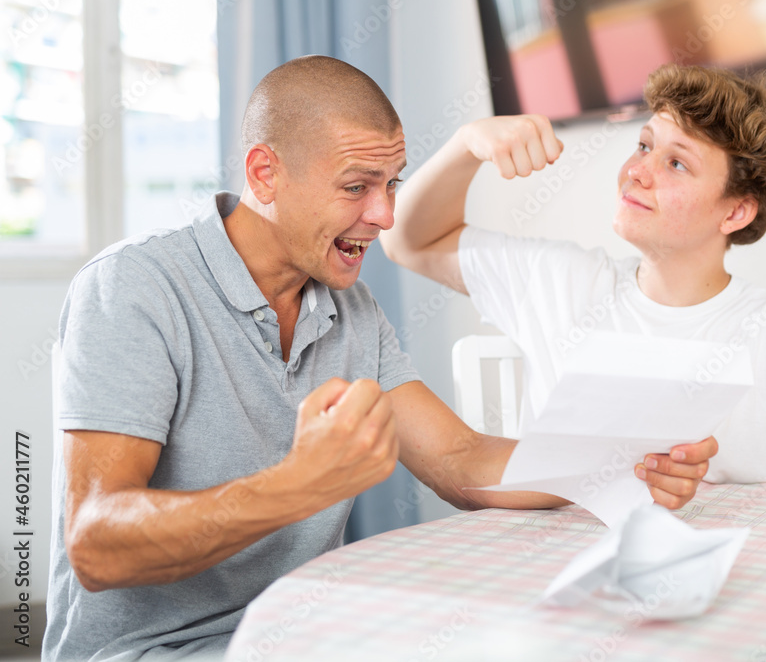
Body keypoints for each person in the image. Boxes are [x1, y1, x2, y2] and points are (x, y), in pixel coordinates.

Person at [44, 56, 715, 661]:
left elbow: (460, 459)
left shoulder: (349, 306)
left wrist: (613, 459)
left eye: (391, 184)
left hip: (303, 632)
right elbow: (97, 545)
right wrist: (296, 486)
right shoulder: (134, 288)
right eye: (356, 187)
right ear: (265, 174)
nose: (385, 215)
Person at [381, 63, 766, 485]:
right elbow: (407, 240)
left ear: (736, 212)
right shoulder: (560, 281)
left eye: (676, 163)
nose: (637, 171)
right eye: (644, 145)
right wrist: (466, 146)